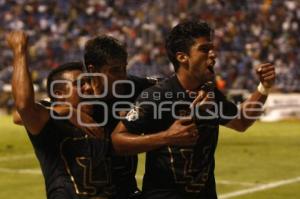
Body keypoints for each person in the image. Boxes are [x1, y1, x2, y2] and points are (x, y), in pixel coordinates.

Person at [111, 20, 276, 199]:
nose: (213, 55)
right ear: (183, 57)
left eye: (212, 48)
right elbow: (118, 140)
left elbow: (242, 121)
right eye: (205, 49)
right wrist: (166, 137)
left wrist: (264, 88)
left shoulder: (211, 93)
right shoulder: (157, 96)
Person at [83, 35, 200, 199]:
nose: (122, 76)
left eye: (124, 68)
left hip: (127, 190)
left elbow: (172, 84)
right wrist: (69, 111)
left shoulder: (136, 87)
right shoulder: (77, 99)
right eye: (114, 70)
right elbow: (42, 107)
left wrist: (199, 89)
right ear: (92, 70)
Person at [7, 31, 114, 199]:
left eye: (89, 81)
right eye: (79, 84)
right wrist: (20, 52)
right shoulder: (50, 124)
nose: (88, 87)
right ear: (59, 94)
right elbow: (23, 107)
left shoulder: (103, 112)